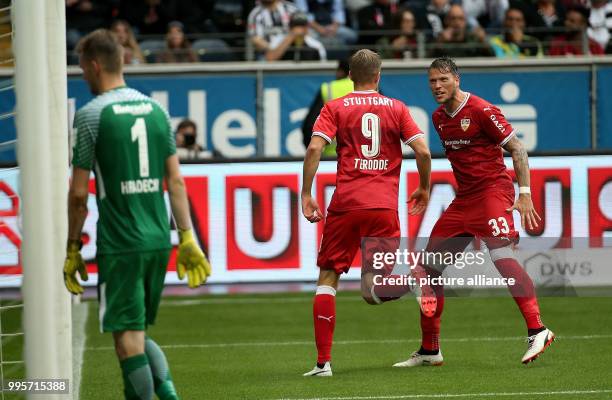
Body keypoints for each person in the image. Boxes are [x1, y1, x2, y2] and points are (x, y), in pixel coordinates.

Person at [63, 29, 211, 400]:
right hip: (158, 237)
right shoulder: (157, 110)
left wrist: (72, 246)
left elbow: (79, 194)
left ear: (95, 66)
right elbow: (175, 182)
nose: (82, 75)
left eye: (82, 68)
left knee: (127, 341)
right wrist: (187, 237)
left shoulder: (91, 115)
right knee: (137, 332)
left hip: (121, 240)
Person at [392, 57, 554, 368]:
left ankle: (538, 329)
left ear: (456, 78)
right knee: (429, 268)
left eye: (442, 80)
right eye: (431, 81)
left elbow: (518, 148)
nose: (437, 86)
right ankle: (430, 350)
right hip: (464, 199)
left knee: (500, 253)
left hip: (493, 191)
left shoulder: (481, 109)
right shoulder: (439, 117)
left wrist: (524, 193)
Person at [301, 49, 433, 377]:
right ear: (378, 76)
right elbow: (423, 151)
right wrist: (424, 187)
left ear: (348, 76)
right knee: (373, 291)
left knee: (327, 279)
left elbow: (315, 146)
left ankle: (323, 364)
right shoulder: (397, 108)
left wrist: (306, 192)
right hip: (383, 207)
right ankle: (411, 281)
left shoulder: (335, 106)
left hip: (346, 205)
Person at [301, 59, 353, 154]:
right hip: (366, 160)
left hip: (333, 158)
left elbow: (309, 127)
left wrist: (313, 155)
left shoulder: (328, 89)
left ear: (340, 71)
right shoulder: (372, 90)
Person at [430, 5, 494, 57]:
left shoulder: (473, 38)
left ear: (465, 21)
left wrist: (483, 42)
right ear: (446, 21)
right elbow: (426, 60)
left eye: (460, 18)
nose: (457, 22)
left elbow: (493, 58)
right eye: (453, 18)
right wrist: (440, 42)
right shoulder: (441, 39)